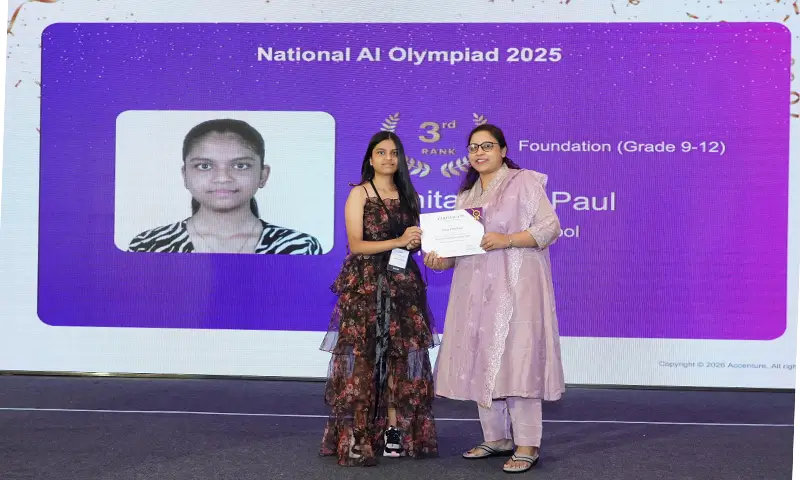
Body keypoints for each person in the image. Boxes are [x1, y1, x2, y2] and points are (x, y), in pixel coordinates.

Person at [424, 124, 565, 474]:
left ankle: (528, 443)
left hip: (517, 287)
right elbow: (460, 251)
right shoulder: (467, 195)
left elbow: (550, 227)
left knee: (519, 360)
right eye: (473, 147)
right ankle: (497, 438)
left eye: (487, 146)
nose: (479, 152)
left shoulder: (524, 181)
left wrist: (509, 239)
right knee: (482, 357)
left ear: (503, 150)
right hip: (475, 290)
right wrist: (441, 260)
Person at [319, 131, 439, 467]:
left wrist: (415, 242)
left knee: (401, 359)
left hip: (403, 286)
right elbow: (357, 245)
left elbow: (412, 241)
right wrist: (398, 241)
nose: (388, 158)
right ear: (370, 159)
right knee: (364, 360)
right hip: (366, 286)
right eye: (381, 152)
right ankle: (358, 435)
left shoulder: (409, 195)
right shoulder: (360, 193)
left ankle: (393, 431)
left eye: (394, 153)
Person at [127, 118, 323, 254]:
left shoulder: (300, 247)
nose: (222, 178)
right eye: (204, 166)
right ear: (185, 175)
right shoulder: (148, 245)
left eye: (240, 166)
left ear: (263, 175)